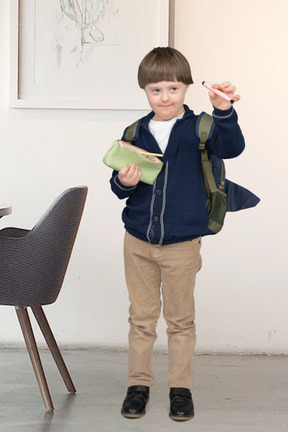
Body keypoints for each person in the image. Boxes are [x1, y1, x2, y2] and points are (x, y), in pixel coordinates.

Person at [108, 47, 245, 421]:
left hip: (182, 243)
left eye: (172, 88)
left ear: (186, 87)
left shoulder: (203, 126)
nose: (164, 97)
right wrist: (122, 181)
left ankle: (179, 390)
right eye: (156, 90)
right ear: (145, 91)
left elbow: (233, 148)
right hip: (137, 240)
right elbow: (120, 185)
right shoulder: (134, 131)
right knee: (141, 317)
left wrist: (224, 110)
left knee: (181, 320)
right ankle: (138, 385)